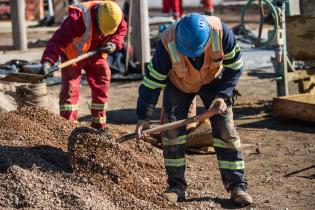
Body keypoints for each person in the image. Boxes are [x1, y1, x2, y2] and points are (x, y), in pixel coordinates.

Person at [135, 13, 253, 206]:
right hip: (179, 84)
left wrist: (223, 95)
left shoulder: (222, 33)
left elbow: (235, 67)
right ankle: (176, 187)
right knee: (171, 133)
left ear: (207, 40)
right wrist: (143, 117)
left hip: (215, 82)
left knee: (226, 131)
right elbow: (151, 83)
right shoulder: (167, 42)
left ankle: (237, 186)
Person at [40, 1, 127, 130]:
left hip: (96, 53)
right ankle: (68, 127)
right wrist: (48, 60)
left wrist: (114, 44)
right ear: (97, 17)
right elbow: (57, 40)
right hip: (73, 56)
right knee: (70, 89)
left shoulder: (115, 16)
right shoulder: (77, 18)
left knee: (102, 82)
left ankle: (99, 125)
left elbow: (121, 31)